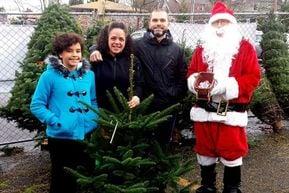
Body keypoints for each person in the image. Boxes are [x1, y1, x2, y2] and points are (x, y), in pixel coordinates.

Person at [187, 1, 261, 193]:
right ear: (210, 26)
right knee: (205, 150)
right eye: (216, 22)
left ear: (232, 24)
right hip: (204, 111)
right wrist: (195, 82)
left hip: (231, 112)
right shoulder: (202, 49)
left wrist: (225, 86)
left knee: (232, 152)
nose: (219, 26)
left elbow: (253, 77)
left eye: (224, 22)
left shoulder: (245, 48)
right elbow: (192, 72)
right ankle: (208, 186)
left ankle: (232, 188)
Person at [90, 9, 187, 149]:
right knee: (141, 147)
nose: (158, 24)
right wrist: (94, 49)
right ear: (149, 22)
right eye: (155, 20)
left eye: (162, 20)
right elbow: (113, 45)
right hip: (143, 108)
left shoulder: (177, 50)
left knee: (162, 147)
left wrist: (172, 95)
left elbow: (182, 77)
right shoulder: (137, 45)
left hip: (166, 107)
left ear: (168, 23)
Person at [30, 32, 98, 193]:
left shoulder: (89, 75)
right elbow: (37, 105)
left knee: (83, 179)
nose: (75, 55)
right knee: (61, 182)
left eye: (78, 50)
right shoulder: (49, 76)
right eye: (70, 51)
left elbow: (93, 100)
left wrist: (92, 119)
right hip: (60, 138)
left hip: (85, 135)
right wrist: (56, 121)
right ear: (60, 53)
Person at [91, 22, 143, 110]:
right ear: (107, 39)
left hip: (125, 112)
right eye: (113, 38)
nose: (117, 42)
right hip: (101, 113)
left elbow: (140, 83)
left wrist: (137, 96)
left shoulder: (132, 60)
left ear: (126, 41)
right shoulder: (97, 59)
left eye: (121, 39)